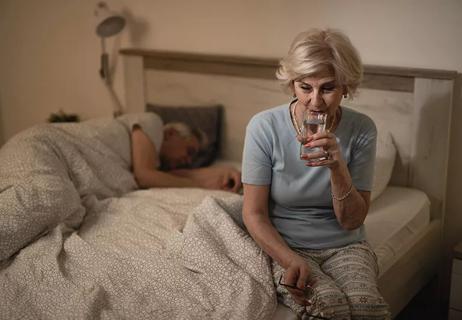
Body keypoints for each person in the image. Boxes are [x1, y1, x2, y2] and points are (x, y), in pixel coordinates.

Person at [241, 29, 390, 319]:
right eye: (305, 87)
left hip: (346, 245)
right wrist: (289, 260)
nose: (315, 101)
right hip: (287, 245)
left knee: (366, 307)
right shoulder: (263, 127)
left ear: (346, 86)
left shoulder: (362, 129)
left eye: (328, 88)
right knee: (328, 306)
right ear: (292, 85)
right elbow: (254, 214)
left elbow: (351, 221)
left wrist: (338, 168)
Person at [119, 112, 241, 193]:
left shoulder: (156, 166)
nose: (188, 161)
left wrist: (225, 170)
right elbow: (144, 176)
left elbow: (172, 176)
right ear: (171, 133)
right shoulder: (152, 121)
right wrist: (200, 187)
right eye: (189, 151)